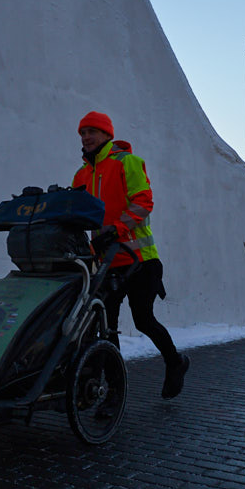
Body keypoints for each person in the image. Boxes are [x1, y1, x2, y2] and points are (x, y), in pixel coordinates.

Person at [73, 112, 190, 399]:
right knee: (106, 328)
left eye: (91, 132)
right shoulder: (81, 175)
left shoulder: (128, 162)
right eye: (82, 133)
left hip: (140, 262)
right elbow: (74, 214)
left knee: (143, 320)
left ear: (106, 135)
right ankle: (112, 392)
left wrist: (118, 228)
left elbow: (143, 202)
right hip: (106, 264)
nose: (85, 137)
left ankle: (176, 362)